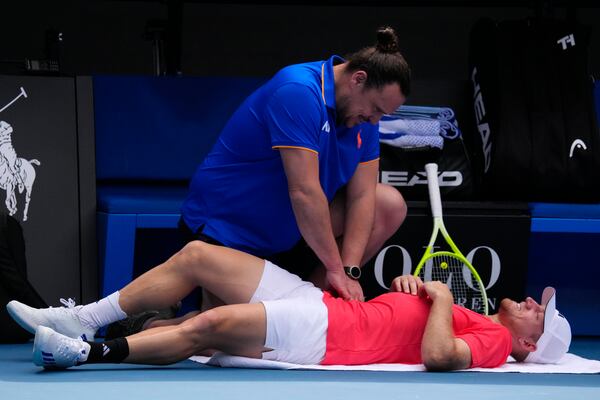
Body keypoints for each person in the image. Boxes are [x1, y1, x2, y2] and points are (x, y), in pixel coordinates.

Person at [6, 240, 571, 371]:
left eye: (536, 313)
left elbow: (441, 356)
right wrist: (408, 286)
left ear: (526, 343)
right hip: (322, 303)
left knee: (207, 324)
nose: (528, 301)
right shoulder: (487, 322)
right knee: (199, 255)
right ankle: (79, 317)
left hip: (324, 336)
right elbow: (422, 326)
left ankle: (84, 351)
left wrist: (441, 294)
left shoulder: (496, 343)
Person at [179, 26, 412, 304]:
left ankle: (309, 309)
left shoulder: (364, 116)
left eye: (382, 114)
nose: (375, 120)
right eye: (375, 109)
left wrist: (349, 270)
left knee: (388, 203)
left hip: (291, 234)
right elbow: (303, 191)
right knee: (223, 339)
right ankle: (141, 327)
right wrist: (335, 269)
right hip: (232, 231)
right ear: (358, 79)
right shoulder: (298, 90)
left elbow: (363, 195)